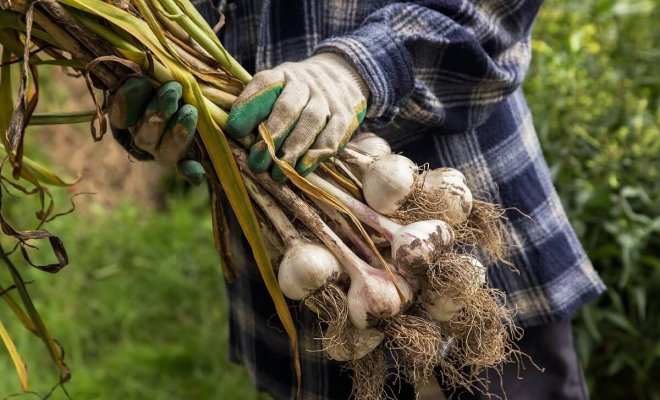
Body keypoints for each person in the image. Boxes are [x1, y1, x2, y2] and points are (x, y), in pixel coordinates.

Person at [110, 1, 606, 399]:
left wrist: (358, 68)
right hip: (295, 277)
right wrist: (147, 102)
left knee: (492, 356)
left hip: (470, 213)